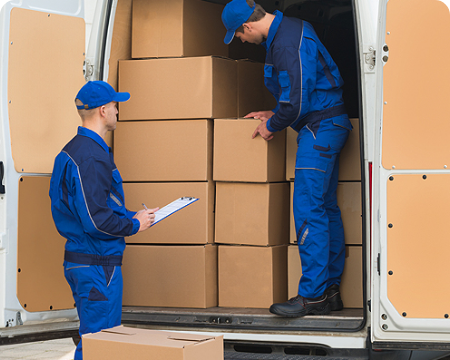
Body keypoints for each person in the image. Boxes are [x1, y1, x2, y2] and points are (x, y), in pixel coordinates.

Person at [222, 0, 353, 317]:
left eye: (238, 35)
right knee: (324, 206)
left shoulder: (285, 42)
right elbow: (299, 95)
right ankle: (329, 291)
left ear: (248, 26)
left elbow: (295, 102)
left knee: (309, 208)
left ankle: (311, 296)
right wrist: (274, 112)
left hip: (319, 129)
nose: (240, 40)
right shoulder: (289, 30)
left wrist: (272, 124)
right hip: (326, 123)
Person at [49, 81, 158, 359]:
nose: (118, 111)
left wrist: (131, 215)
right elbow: (96, 221)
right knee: (101, 344)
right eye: (114, 106)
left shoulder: (73, 152)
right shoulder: (90, 158)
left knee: (97, 341)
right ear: (102, 110)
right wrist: (134, 226)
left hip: (86, 262)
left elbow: (94, 206)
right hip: (97, 266)